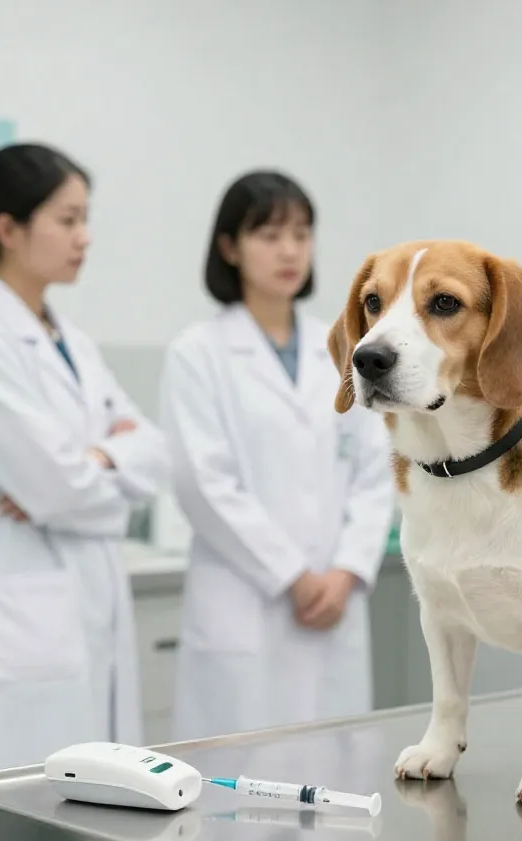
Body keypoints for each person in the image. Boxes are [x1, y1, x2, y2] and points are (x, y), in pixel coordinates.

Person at [0, 143, 169, 841]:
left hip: (80, 600)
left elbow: (152, 457)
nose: (84, 236)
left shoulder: (68, 339)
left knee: (70, 834)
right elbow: (54, 485)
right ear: (7, 227)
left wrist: (92, 462)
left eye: (86, 219)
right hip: (16, 605)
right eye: (67, 219)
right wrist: (99, 463)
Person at [160, 170, 394, 741]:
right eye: (268, 234)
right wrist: (291, 576)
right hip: (246, 604)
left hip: (333, 604)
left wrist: (346, 570)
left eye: (301, 233)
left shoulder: (343, 346)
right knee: (235, 795)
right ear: (229, 248)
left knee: (330, 796)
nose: (289, 250)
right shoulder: (199, 354)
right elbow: (202, 483)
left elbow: (377, 466)